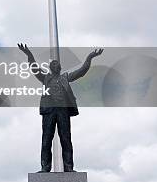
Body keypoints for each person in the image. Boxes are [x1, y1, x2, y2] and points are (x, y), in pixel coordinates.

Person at [18, 44, 103, 172]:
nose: (55, 65)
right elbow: (34, 67)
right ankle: (45, 167)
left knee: (66, 139)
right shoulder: (45, 77)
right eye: (53, 64)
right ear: (50, 68)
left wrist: (90, 57)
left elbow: (82, 71)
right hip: (49, 111)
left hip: (63, 110)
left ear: (60, 68)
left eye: (57, 64)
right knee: (46, 139)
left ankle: (68, 167)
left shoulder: (65, 77)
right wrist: (29, 54)